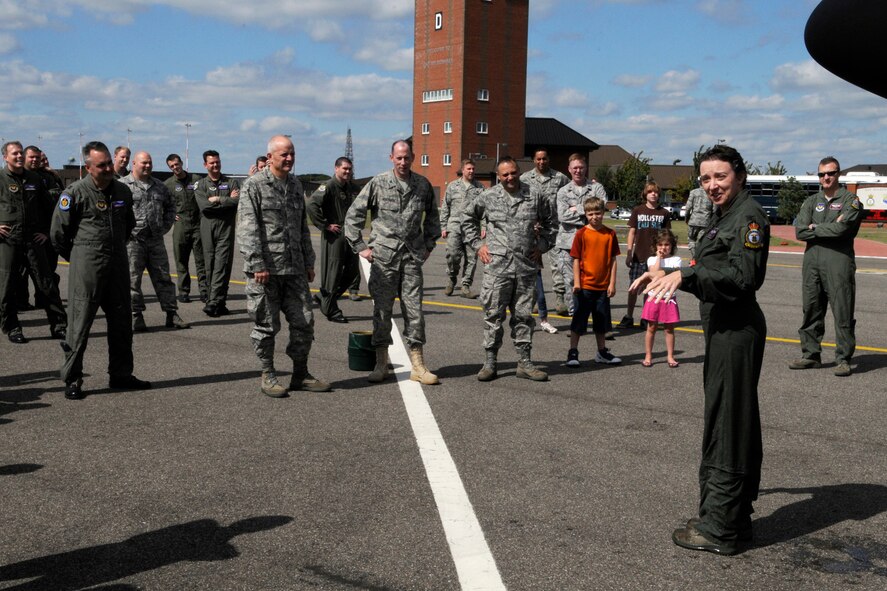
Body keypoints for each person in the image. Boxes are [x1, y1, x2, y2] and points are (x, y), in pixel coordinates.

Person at [640, 145, 768, 556]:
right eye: (706, 178)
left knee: (727, 423)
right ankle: (734, 517)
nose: (712, 185)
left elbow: (742, 277)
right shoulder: (724, 215)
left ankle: (719, 528)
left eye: (720, 177)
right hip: (723, 328)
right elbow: (708, 262)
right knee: (732, 418)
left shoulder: (748, 217)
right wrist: (668, 269)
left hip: (736, 329)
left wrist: (686, 273)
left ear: (740, 176)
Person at [51, 141, 151, 400]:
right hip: (87, 266)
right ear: (88, 167)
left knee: (121, 322)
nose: (108, 168)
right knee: (79, 323)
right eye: (102, 165)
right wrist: (79, 256)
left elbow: (128, 224)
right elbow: (58, 234)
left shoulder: (122, 191)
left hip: (117, 263)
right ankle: (72, 379)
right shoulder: (74, 193)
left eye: (109, 162)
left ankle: (121, 374)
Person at [238, 135, 331, 396]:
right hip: (266, 271)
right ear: (270, 158)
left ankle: (300, 374)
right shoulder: (254, 186)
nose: (289, 158)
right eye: (284, 155)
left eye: (292, 154)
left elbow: (302, 226)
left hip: (295, 269)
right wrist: (257, 263)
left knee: (304, 322)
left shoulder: (294, 184)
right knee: (267, 325)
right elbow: (248, 228)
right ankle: (268, 374)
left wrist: (309, 261)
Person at [343, 140, 441, 385]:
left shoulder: (422, 185)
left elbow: (433, 219)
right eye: (398, 158)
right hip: (384, 259)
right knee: (382, 312)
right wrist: (361, 248)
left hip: (410, 258)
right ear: (391, 158)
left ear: (413, 158)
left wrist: (428, 246)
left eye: (406, 157)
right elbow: (353, 216)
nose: (403, 162)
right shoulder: (378, 183)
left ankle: (418, 365)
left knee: (414, 312)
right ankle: (380, 362)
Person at [463, 156, 557, 382]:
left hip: (525, 268)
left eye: (513, 172)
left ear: (519, 171)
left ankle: (524, 363)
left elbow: (552, 224)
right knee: (493, 317)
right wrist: (478, 245)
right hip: (497, 269)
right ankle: (490, 363)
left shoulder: (534, 195)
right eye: (504, 174)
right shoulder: (488, 196)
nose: (510, 177)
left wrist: (542, 246)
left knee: (524, 317)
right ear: (498, 176)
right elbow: (467, 219)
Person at [790, 156, 862, 377]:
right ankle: (811, 355)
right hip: (812, 263)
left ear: (838, 174)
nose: (826, 177)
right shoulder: (811, 201)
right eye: (822, 174)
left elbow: (844, 230)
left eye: (830, 173)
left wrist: (816, 227)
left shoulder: (851, 200)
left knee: (842, 310)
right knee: (811, 309)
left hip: (838, 262)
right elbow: (800, 231)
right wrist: (829, 226)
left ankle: (843, 358)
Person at [0, 141, 67, 344]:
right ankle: (12, 327)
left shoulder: (35, 179)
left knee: (46, 284)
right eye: (15, 154)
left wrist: (47, 232)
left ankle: (59, 326)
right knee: (6, 286)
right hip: (8, 240)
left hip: (33, 240)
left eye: (21, 153)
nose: (19, 156)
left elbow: (50, 208)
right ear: (5, 157)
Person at [121, 151, 189, 332]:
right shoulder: (122, 186)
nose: (147, 166)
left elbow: (171, 207)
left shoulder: (160, 186)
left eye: (150, 163)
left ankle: (171, 313)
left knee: (164, 278)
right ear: (134, 163)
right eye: (143, 163)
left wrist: (164, 227)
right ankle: (136, 316)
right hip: (133, 241)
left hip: (155, 241)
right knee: (132, 280)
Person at [565, 197, 621, 368]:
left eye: (598, 213)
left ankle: (602, 351)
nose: (594, 217)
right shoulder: (581, 234)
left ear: (603, 213)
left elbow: (613, 261)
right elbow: (575, 259)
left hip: (603, 287)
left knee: (601, 322)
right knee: (579, 321)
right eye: (590, 214)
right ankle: (573, 352)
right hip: (585, 286)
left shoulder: (610, 234)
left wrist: (612, 284)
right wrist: (577, 283)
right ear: (586, 214)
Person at [306, 157, 362, 323]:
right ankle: (330, 309)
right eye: (344, 168)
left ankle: (324, 297)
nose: (347, 171)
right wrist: (325, 225)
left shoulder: (353, 187)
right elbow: (311, 205)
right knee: (333, 273)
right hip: (335, 235)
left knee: (352, 272)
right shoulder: (328, 186)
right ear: (336, 168)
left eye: (349, 169)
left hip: (351, 235)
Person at [556, 153, 607, 317]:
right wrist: (588, 211)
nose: (578, 171)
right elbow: (563, 216)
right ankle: (575, 317)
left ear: (586, 168)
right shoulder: (563, 191)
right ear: (569, 169)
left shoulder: (596, 188)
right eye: (575, 168)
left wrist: (575, 209)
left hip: (592, 242)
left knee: (593, 280)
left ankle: (595, 316)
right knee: (570, 281)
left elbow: (602, 206)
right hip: (568, 244)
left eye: (581, 167)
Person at [616, 182, 672, 330]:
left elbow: (667, 236)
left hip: (655, 257)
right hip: (639, 256)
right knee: (633, 287)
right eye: (650, 192)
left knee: (650, 288)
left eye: (656, 192)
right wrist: (629, 252)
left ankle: (646, 317)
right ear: (645, 194)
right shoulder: (638, 210)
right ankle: (629, 316)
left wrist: (665, 255)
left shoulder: (664, 213)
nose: (653, 194)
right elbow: (632, 232)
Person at [520, 149, 569, 315]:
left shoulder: (560, 178)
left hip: (555, 229)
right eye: (538, 159)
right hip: (533, 230)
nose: (542, 162)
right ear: (534, 160)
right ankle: (534, 299)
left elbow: (569, 196)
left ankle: (560, 299)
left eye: (545, 159)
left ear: (549, 159)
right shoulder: (525, 179)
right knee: (533, 266)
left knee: (558, 265)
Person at [194, 150, 240, 317]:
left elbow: (236, 201)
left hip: (225, 228)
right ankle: (218, 302)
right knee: (210, 264)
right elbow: (205, 206)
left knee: (222, 264)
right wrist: (226, 201)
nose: (215, 165)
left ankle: (214, 302)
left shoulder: (231, 182)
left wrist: (218, 199)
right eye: (212, 162)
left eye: (217, 162)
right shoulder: (201, 185)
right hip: (207, 228)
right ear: (205, 165)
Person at [630, 229, 681, 367]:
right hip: (654, 298)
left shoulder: (676, 260)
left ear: (672, 245)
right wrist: (659, 258)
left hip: (668, 299)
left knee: (669, 329)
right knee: (651, 328)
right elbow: (654, 274)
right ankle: (648, 355)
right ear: (655, 246)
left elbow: (675, 276)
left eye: (666, 245)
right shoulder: (652, 259)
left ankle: (670, 356)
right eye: (660, 245)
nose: (663, 248)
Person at [164, 153, 207, 304]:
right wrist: (170, 215)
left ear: (181, 163)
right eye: (172, 166)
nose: (175, 167)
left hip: (197, 225)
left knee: (201, 261)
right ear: (170, 168)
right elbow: (162, 203)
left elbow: (205, 197)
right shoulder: (168, 184)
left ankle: (204, 291)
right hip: (181, 226)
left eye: (177, 164)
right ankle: (184, 291)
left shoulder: (196, 180)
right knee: (181, 261)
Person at [440, 159, 483, 299]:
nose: (471, 171)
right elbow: (445, 207)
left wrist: (484, 226)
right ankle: (452, 279)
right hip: (454, 226)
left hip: (472, 229)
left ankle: (465, 286)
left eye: (473, 169)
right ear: (463, 170)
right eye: (469, 169)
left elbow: (485, 210)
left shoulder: (479, 188)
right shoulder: (453, 186)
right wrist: (443, 226)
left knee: (471, 259)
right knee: (452, 255)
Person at [685, 185, 713, 258]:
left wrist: (686, 218)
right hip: (706, 222)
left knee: (691, 240)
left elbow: (688, 207)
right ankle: (698, 258)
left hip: (693, 220)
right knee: (701, 242)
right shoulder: (711, 193)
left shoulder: (693, 192)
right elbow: (715, 209)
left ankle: (694, 257)